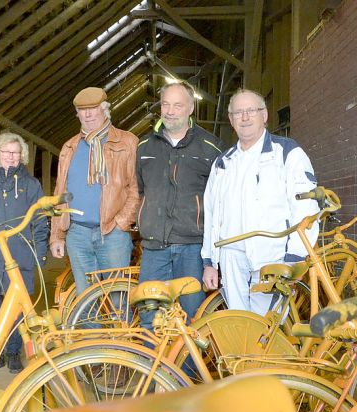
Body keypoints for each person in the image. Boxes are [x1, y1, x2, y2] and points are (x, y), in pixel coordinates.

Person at [201, 89, 320, 316]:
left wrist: (295, 258)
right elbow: (212, 215)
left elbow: (307, 209)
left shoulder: (287, 153)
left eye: (251, 111)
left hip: (272, 257)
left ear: (264, 115)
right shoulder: (222, 163)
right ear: (231, 119)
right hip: (231, 258)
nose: (245, 117)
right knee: (238, 323)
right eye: (238, 112)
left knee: (266, 330)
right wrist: (209, 261)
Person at [136, 82, 224, 322]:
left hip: (192, 248)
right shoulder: (144, 146)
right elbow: (142, 189)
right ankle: (151, 361)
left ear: (191, 108)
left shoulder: (210, 147)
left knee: (191, 317)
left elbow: (219, 201)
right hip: (154, 248)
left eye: (178, 105)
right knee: (150, 317)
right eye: (166, 104)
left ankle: (186, 362)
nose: (170, 111)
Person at [0, 133, 49, 373]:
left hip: (19, 254)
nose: (10, 157)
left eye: (15, 153)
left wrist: (39, 253)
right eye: (6, 152)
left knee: (16, 310)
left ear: (21, 156)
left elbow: (40, 220)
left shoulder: (31, 185)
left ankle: (13, 353)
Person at [49, 87, 140, 295]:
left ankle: (119, 330)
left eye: (93, 108)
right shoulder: (69, 147)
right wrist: (57, 235)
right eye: (82, 110)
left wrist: (121, 223)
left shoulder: (127, 142)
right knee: (86, 299)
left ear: (105, 110)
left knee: (117, 297)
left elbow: (136, 188)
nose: (88, 114)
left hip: (112, 233)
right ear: (77, 114)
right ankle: (91, 329)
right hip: (77, 234)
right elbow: (59, 193)